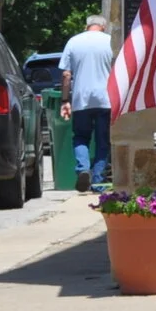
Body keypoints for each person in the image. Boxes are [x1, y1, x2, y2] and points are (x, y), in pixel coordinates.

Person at [59, 15, 117, 192]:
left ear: (87, 26)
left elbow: (66, 75)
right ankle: (98, 182)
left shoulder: (74, 42)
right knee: (103, 141)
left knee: (81, 137)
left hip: (81, 100)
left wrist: (65, 100)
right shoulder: (110, 42)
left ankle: (83, 169)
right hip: (106, 99)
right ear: (103, 27)